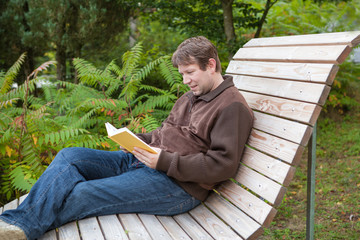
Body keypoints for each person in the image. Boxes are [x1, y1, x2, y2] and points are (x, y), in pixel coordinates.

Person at [0, 36, 254, 240]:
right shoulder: (190, 97)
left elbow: (222, 165)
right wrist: (135, 139)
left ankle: (21, 227)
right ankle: (21, 223)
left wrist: (163, 161)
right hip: (144, 160)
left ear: (210, 65)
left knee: (82, 193)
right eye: (182, 74)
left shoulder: (231, 106)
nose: (186, 81)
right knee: (71, 156)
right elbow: (164, 133)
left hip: (176, 187)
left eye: (190, 73)